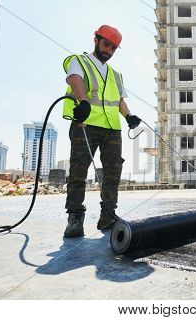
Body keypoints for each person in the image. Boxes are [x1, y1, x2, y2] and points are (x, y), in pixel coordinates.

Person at [62, 25, 141, 238]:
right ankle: (75, 218)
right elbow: (74, 79)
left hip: (112, 129)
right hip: (85, 124)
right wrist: (83, 102)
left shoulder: (116, 75)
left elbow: (120, 100)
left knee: (113, 171)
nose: (109, 51)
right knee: (79, 170)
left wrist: (129, 115)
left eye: (114, 48)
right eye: (106, 44)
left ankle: (108, 215)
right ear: (96, 40)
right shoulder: (80, 61)